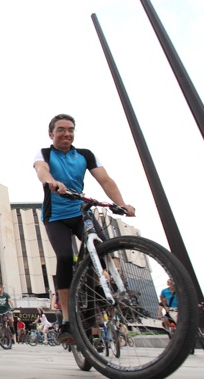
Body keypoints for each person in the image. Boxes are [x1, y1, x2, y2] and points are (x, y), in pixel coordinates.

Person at [33, 113, 135, 345]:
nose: (66, 133)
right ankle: (68, 319)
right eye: (60, 129)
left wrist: (121, 203)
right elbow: (41, 169)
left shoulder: (85, 155)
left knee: (102, 247)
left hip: (80, 212)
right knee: (65, 256)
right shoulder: (45, 153)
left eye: (70, 129)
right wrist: (51, 182)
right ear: (51, 134)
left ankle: (95, 283)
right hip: (56, 216)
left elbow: (105, 180)